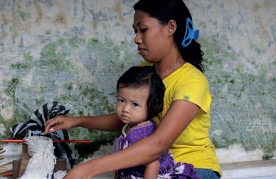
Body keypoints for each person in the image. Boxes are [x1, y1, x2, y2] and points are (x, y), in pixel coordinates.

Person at [45, 0, 222, 178]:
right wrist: (77, 121)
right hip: (152, 167)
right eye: (135, 31)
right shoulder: (147, 71)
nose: (137, 39)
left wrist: (87, 169)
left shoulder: (192, 81)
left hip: (191, 168)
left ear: (170, 27)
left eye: (143, 30)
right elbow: (128, 117)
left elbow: (158, 144)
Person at [114, 66, 199, 179]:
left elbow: (153, 165)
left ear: (151, 107)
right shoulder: (132, 128)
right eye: (122, 100)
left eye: (135, 104)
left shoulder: (139, 135)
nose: (125, 109)